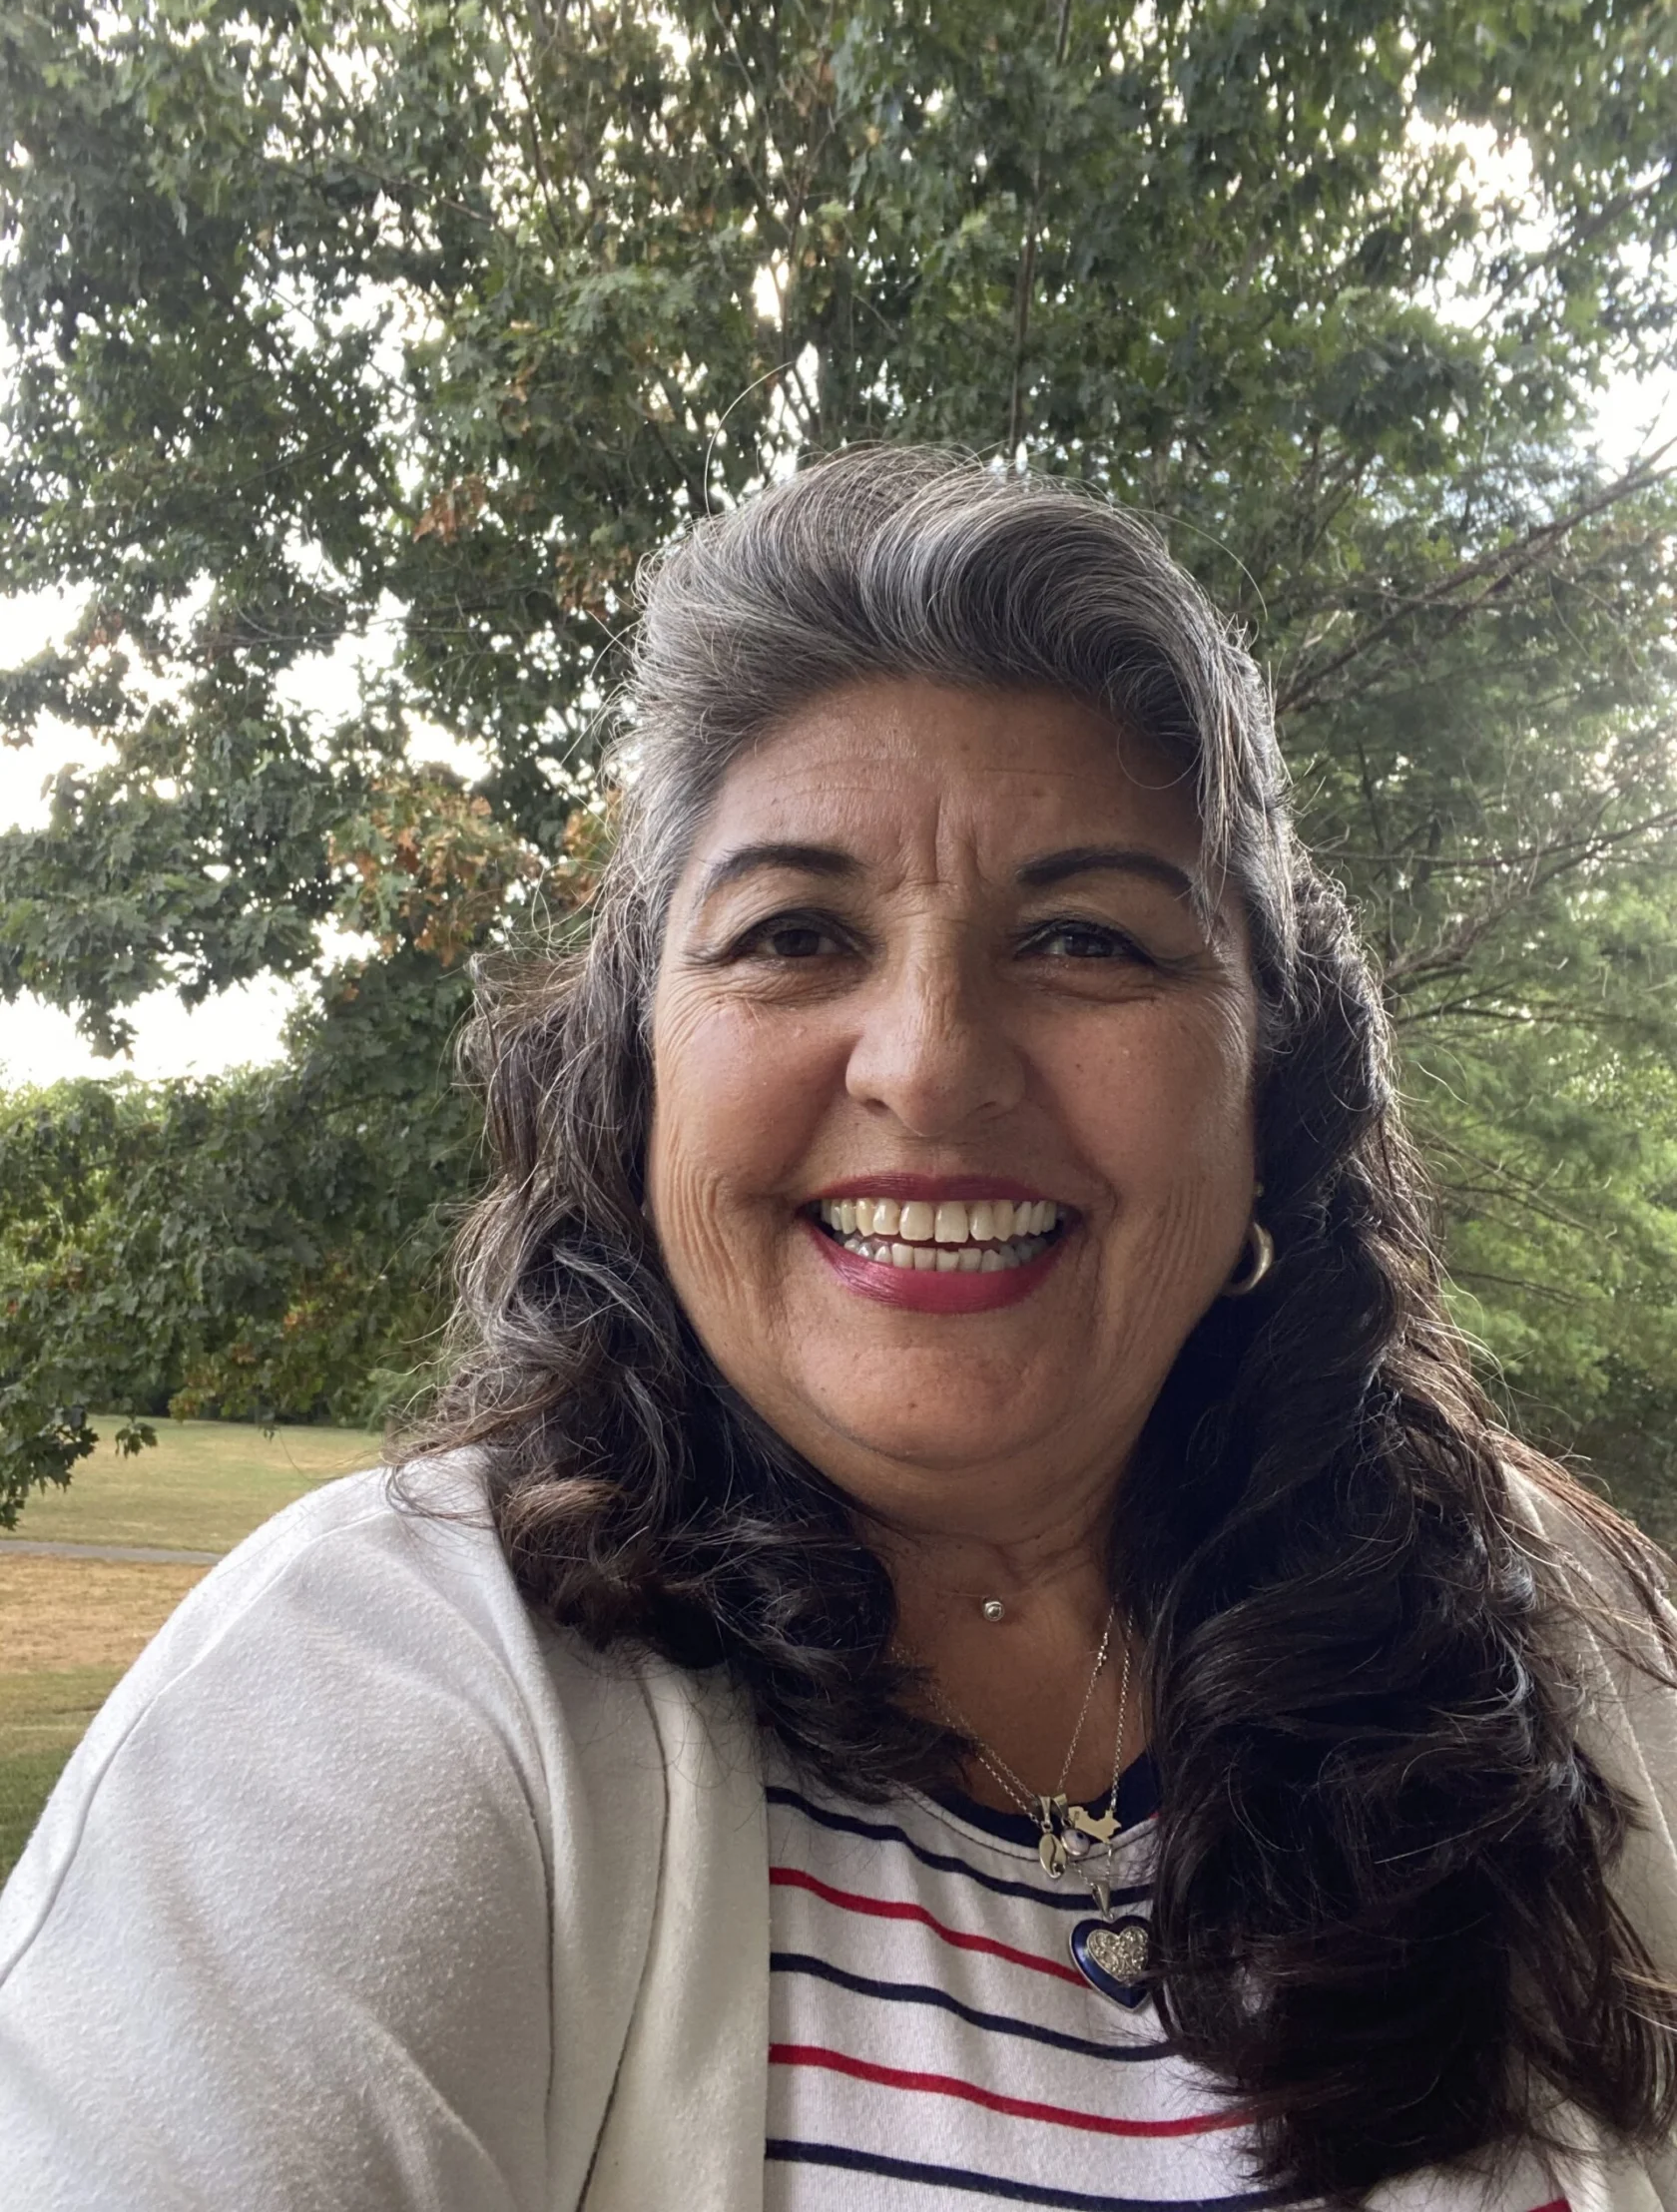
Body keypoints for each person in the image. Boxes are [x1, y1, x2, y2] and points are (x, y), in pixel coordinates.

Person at [3, 448, 1676, 2212]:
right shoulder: (369, 1696)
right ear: (639, 1083)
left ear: (1275, 1083)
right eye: (795, 934)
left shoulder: (1564, 1650)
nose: (933, 1060)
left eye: (1087, 940)